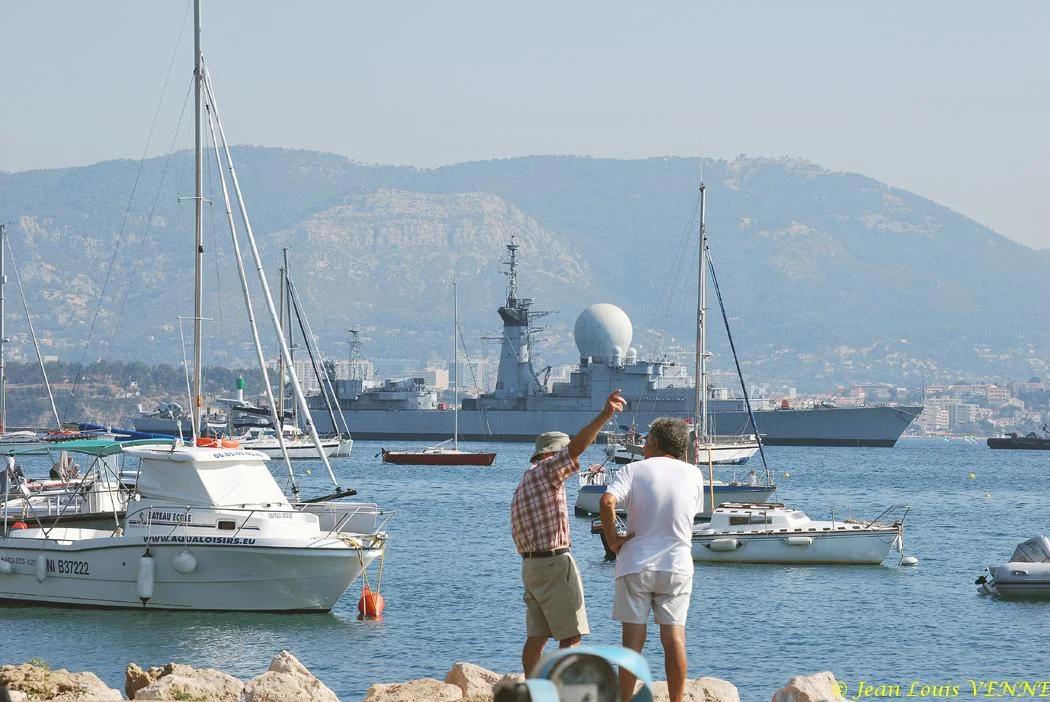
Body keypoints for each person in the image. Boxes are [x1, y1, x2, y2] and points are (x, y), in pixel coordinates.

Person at [511, 388, 627, 676]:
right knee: (571, 637)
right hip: (554, 562)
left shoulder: (524, 485)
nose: (572, 465)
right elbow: (576, 449)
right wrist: (605, 415)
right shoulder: (548, 472)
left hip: (530, 566)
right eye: (562, 453)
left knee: (536, 638)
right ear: (550, 454)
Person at [599, 417, 703, 702]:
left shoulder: (632, 470)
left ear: (656, 442)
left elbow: (607, 501)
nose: (643, 443)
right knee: (674, 640)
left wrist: (612, 539)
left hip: (635, 564)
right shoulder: (694, 474)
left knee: (632, 644)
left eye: (646, 439)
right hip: (678, 565)